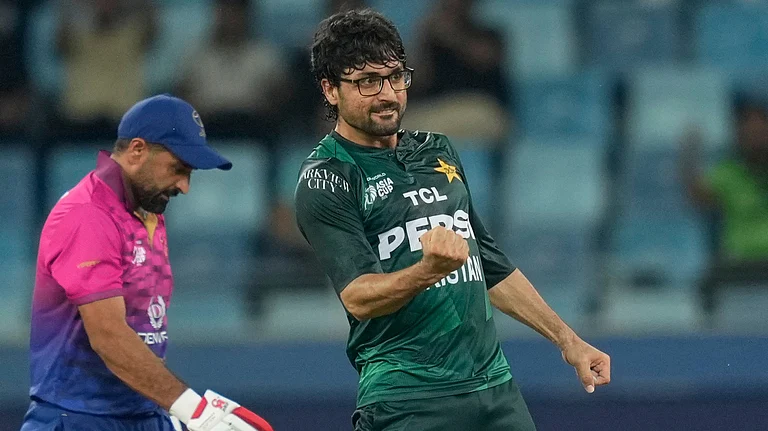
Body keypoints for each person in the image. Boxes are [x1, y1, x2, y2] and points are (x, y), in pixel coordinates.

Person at [294, 9, 611, 431]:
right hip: (407, 397)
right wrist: (427, 270)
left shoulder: (437, 150)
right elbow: (359, 297)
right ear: (330, 89)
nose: (388, 94)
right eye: (366, 82)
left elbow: (488, 264)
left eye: (395, 77)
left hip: (494, 390)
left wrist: (568, 341)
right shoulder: (328, 177)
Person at [21, 94, 272, 431]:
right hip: (78, 418)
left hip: (141, 414)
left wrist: (174, 415)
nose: (185, 186)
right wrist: (196, 412)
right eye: (178, 169)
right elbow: (109, 336)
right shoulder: (88, 215)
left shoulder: (147, 209)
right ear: (137, 151)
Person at [681, 96, 768, 324]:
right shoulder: (728, 172)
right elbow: (697, 197)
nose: (754, 137)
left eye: (760, 130)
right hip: (738, 262)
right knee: (706, 284)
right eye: (748, 130)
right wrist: (690, 153)